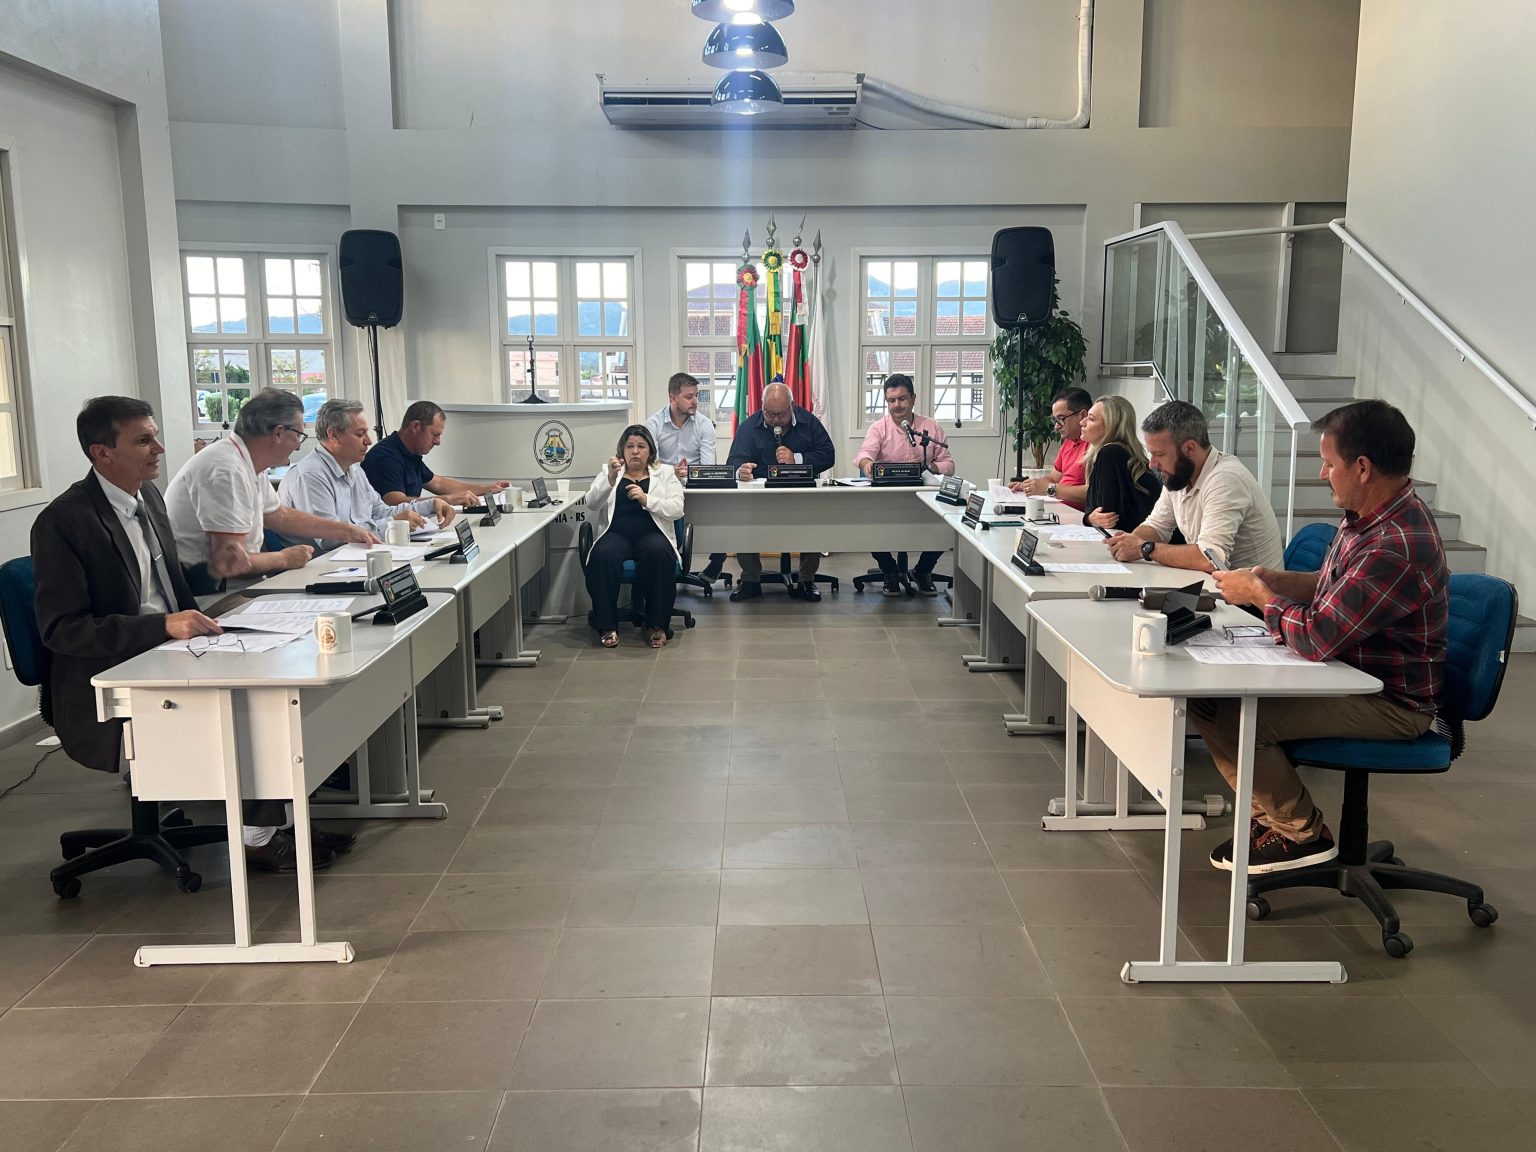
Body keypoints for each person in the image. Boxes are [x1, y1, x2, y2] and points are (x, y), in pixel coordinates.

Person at [32, 397, 337, 873]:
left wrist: (207, 625)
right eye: (143, 440)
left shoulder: (147, 497)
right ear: (102, 453)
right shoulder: (64, 521)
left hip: (171, 645)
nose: (159, 448)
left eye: (154, 436)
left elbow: (172, 591)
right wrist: (163, 626)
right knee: (252, 707)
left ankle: (280, 821)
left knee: (280, 672)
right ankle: (257, 838)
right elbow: (62, 629)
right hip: (111, 671)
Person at [1193, 400, 1447, 874]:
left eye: (1329, 463)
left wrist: (1263, 596)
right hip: (1348, 675)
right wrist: (1277, 581)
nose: (1322, 473)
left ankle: (1301, 834)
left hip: (1390, 701)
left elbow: (1317, 637)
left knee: (1239, 720)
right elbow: (1336, 589)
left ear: (1363, 468)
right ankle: (1268, 819)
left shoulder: (1396, 543)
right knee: (1207, 701)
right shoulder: (1368, 517)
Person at [165, 388, 375, 593]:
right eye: (299, 436)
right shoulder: (226, 469)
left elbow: (279, 516)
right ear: (278, 433)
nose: (298, 446)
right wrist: (283, 559)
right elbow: (229, 562)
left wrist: (346, 531)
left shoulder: (247, 462)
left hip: (239, 586)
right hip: (211, 596)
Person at [1104, 399, 1284, 572]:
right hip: (1218, 584)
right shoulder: (1180, 474)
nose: (1152, 464)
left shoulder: (1226, 479)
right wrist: (1128, 542)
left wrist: (1144, 548)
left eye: (1159, 454)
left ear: (1189, 448)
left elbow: (1211, 559)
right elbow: (1157, 526)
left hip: (1251, 592)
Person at [276, 398, 456, 551]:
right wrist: (392, 523)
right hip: (318, 569)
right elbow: (329, 540)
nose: (369, 441)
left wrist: (430, 505)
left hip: (350, 559)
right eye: (360, 434)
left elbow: (379, 511)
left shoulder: (354, 469)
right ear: (334, 435)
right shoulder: (310, 476)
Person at [725, 381, 836, 602]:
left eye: (782, 414)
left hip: (801, 494)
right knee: (742, 517)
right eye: (770, 414)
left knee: (813, 519)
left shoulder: (808, 422)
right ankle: (750, 579)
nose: (776, 420)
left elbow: (828, 455)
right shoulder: (749, 426)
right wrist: (741, 471)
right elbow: (734, 462)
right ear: (762, 408)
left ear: (792, 406)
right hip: (760, 497)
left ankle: (806, 580)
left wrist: (797, 459)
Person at [582, 424, 685, 649]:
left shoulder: (665, 473)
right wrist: (610, 479)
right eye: (630, 446)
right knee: (603, 555)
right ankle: (607, 625)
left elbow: (677, 509)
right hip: (616, 533)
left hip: (652, 532)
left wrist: (647, 500)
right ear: (622, 450)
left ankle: (657, 626)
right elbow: (591, 503)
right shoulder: (609, 471)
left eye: (641, 446)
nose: (635, 451)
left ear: (650, 451)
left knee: (658, 553)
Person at [854, 374, 955, 596]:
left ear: (913, 399)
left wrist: (931, 467)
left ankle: (923, 570)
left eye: (902, 399)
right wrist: (867, 464)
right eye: (891, 400)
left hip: (925, 499)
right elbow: (863, 456)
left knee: (948, 525)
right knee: (868, 525)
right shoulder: (879, 428)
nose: (897, 405)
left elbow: (948, 465)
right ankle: (890, 571)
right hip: (887, 499)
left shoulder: (930, 427)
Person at [645, 371, 726, 581]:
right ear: (673, 398)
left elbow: (708, 466)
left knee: (725, 509)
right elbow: (649, 466)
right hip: (663, 488)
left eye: (696, 396)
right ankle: (667, 564)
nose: (695, 401)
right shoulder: (653, 425)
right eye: (689, 397)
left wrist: (689, 473)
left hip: (696, 486)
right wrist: (671, 473)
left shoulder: (704, 424)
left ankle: (717, 559)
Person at [362, 400, 510, 508]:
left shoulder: (409, 453)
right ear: (415, 427)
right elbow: (395, 502)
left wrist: (486, 489)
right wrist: (445, 500)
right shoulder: (385, 457)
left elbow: (438, 483)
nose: (438, 442)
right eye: (435, 435)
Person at [1080, 395, 1162, 533]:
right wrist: (1089, 518)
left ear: (1111, 427)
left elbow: (1108, 518)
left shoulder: (1111, 453)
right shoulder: (1115, 452)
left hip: (1147, 539)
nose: (1082, 422)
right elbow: (1096, 513)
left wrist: (1090, 518)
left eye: (1091, 419)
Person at [1009, 387, 1091, 511]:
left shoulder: (1096, 445)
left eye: (1061, 419)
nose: (1056, 427)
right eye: (1055, 420)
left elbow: (1094, 493)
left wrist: (1050, 489)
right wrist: (1030, 486)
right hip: (1059, 510)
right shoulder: (1069, 441)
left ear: (1083, 415)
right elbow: (1053, 478)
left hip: (1077, 515)